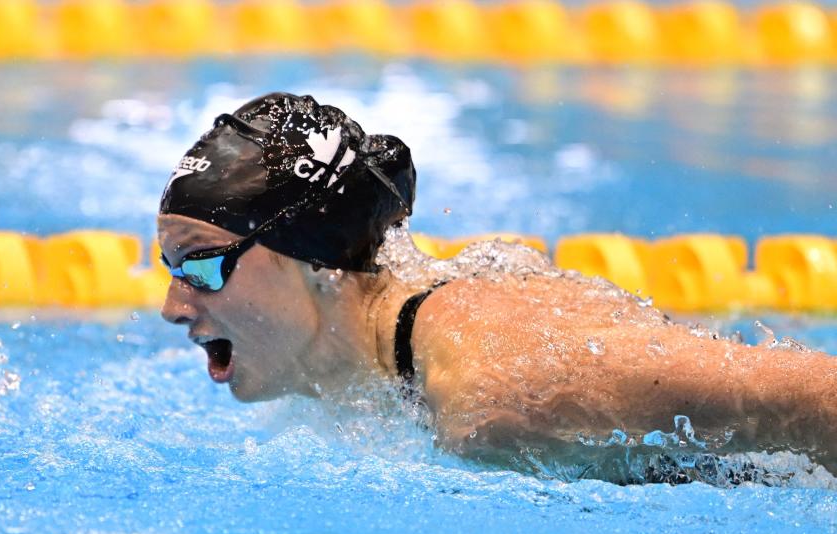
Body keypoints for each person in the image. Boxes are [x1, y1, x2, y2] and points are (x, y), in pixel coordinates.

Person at [157, 92, 837, 474]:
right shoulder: (377, 369)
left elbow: (814, 398)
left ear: (318, 261)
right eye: (170, 270)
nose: (171, 306)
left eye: (202, 264)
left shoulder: (496, 385)